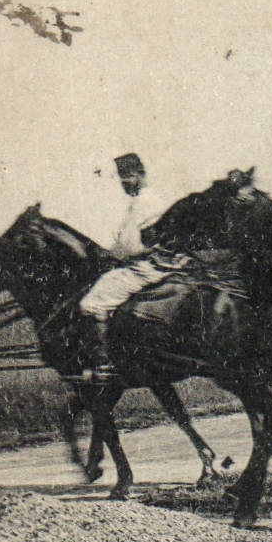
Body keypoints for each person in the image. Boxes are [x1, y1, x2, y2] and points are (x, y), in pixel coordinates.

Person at [77, 153, 176, 381]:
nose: (123, 184)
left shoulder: (141, 202)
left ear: (140, 174)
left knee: (91, 303)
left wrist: (112, 255)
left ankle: (104, 364)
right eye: (121, 178)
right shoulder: (155, 198)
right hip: (164, 263)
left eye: (127, 177)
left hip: (146, 267)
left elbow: (129, 246)